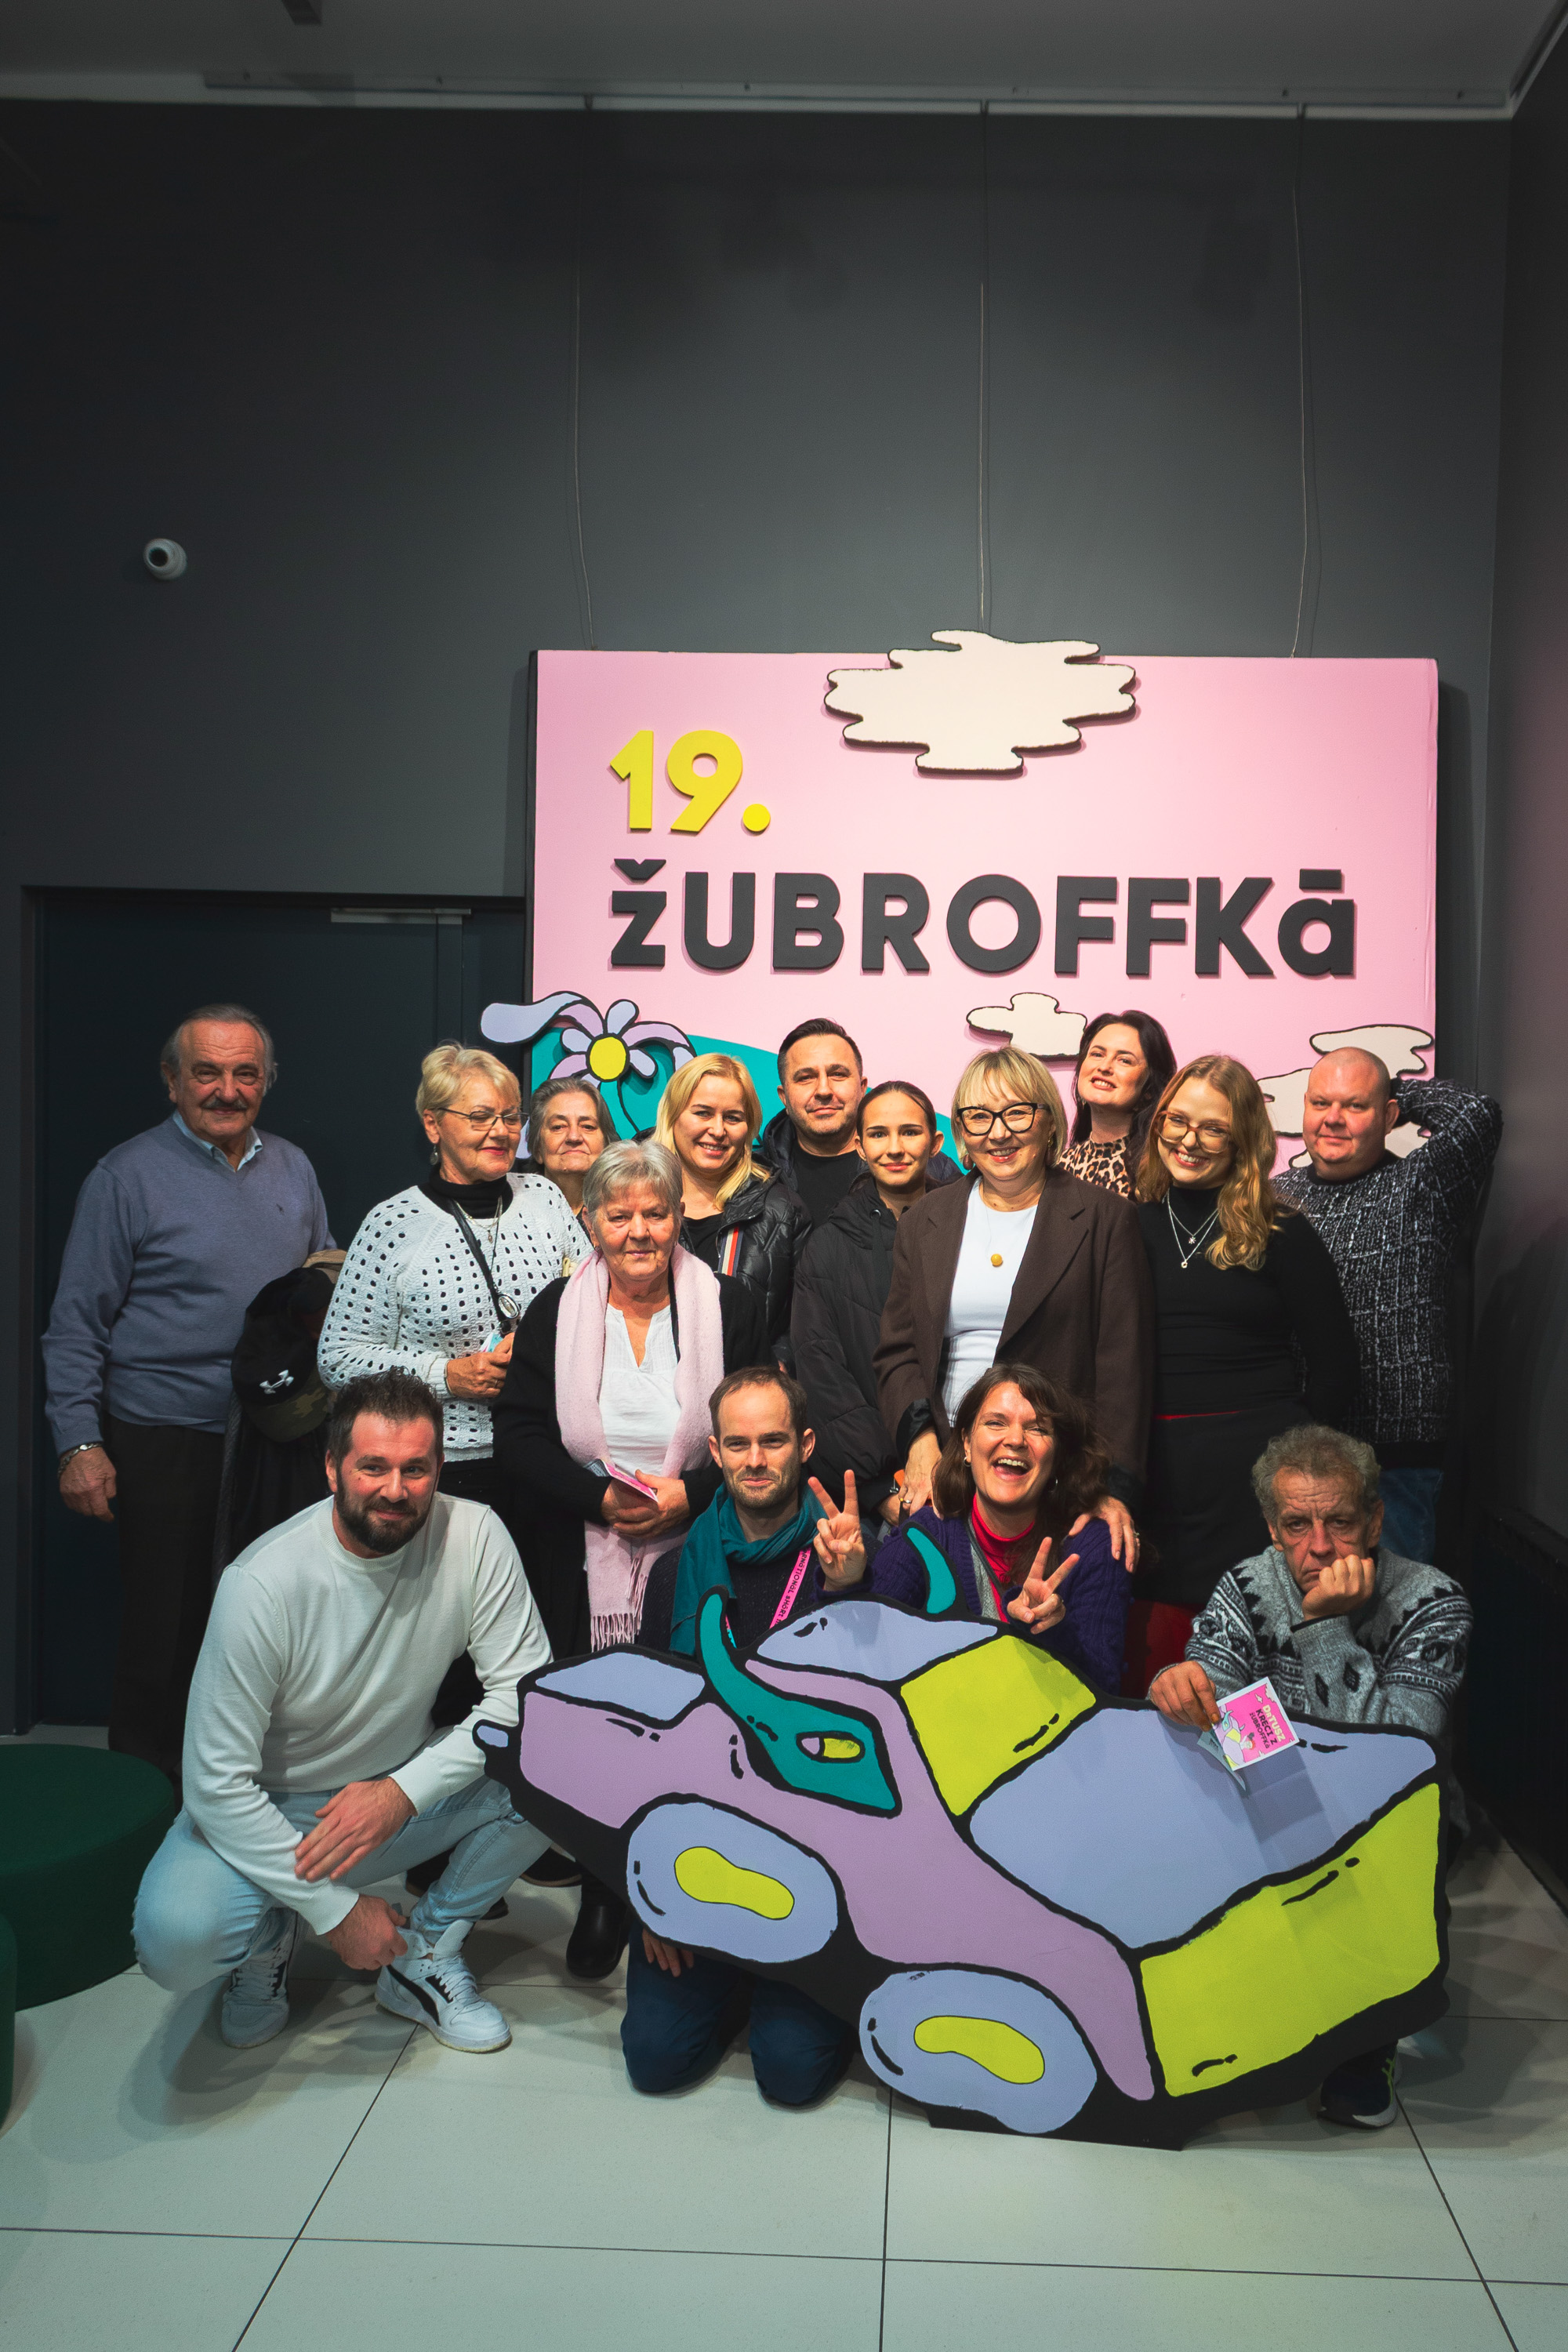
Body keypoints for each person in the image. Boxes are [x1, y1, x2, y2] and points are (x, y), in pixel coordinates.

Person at [132, 1370, 552, 2055]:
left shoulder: (474, 1534)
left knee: (559, 1767)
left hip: (392, 1792)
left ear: (440, 1467)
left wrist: (401, 1791)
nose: (396, 1489)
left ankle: (425, 1951)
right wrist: (335, 1913)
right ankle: (271, 1937)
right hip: (271, 1807)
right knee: (175, 1942)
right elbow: (215, 1784)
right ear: (332, 1467)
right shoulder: (261, 1584)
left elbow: (525, 1696)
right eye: (373, 1467)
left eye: (416, 1469)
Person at [492, 1139, 768, 1977]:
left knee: (689, 1730)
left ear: (680, 1216)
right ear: (591, 1221)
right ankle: (605, 1887)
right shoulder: (556, 1310)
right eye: (620, 1216)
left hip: (702, 1552)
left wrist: (694, 1491)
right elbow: (519, 1435)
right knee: (598, 1729)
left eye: (656, 1213)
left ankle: (684, 1886)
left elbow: (760, 1430)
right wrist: (597, 1502)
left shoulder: (729, 1303)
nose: (639, 1231)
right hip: (584, 1561)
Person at [1151, 1421, 1472, 2129]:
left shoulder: (1433, 1602)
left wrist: (1324, 1627)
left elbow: (1400, 1755)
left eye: (1341, 1523)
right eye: (1297, 1525)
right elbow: (1211, 1699)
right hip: (1276, 1797)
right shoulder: (1247, 1584)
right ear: (1273, 1528)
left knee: (1369, 1892)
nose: (1320, 1546)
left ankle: (1368, 2045)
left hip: (1392, 1826)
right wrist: (1176, 1687)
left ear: (1376, 1521)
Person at [42, 1004, 332, 1780]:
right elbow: (75, 1325)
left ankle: (243, 1789)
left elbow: (318, 1287)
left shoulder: (293, 1168)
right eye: (207, 1072)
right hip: (164, 1435)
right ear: (172, 1081)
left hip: (274, 1437)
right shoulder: (124, 1177)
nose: (227, 1090)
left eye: (245, 1074)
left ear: (266, 1082)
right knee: (164, 1633)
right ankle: (147, 1798)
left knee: (267, 1622)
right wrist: (78, 1442)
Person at [623, 1366, 862, 2107]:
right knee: (656, 2061)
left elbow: (881, 1735)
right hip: (708, 1845)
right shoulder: (676, 1572)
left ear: (806, 1445)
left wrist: (853, 1590)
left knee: (790, 2075)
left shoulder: (846, 1559)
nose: (755, 1460)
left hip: (822, 1851)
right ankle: (737, 1979)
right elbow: (646, 1738)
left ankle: (787, 1986)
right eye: (738, 1444)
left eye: (773, 1441)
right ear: (716, 1453)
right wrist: (651, 1893)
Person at [1129, 1054, 1358, 1693]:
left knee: (1252, 1673)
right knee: (1159, 1672)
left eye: (1212, 1128)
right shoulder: (1126, 1224)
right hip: (1155, 1479)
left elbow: (1338, 1369)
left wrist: (1286, 1458)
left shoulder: (1282, 1232)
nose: (1188, 1140)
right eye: (1176, 1120)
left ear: (1244, 1140)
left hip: (1252, 1483)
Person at [875, 1047, 1151, 1555]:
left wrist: (1111, 1489)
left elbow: (1123, 1370)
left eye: (1017, 1112)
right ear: (961, 1130)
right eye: (979, 1116)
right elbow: (899, 1351)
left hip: (1057, 1480)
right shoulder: (924, 1220)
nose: (998, 1133)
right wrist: (920, 1444)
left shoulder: (1106, 1220)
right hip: (945, 1473)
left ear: (1049, 1121)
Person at [318, 1046, 584, 1533]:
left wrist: (540, 1344)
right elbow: (337, 1358)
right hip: (443, 1465)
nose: (501, 1131)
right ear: (433, 1124)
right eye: (481, 1117)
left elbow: (595, 1304)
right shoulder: (392, 1224)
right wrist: (446, 1376)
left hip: (549, 1451)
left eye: (511, 1117)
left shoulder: (546, 1199)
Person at [1273, 1050, 1503, 1566]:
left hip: (1395, 1457)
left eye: (1355, 1105)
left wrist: (1392, 1087)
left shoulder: (1424, 1184)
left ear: (1390, 1115)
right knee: (1299, 1608)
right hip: (1299, 1454)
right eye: (1320, 1102)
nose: (1333, 1118)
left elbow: (1477, 1113)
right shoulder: (1274, 1198)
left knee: (1393, 1607)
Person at [844, 1365, 1131, 1690]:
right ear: (967, 1443)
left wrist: (1050, 1631)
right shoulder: (927, 1535)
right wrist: (843, 1583)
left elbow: (1103, 1692)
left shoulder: (1094, 1545)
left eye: (1037, 1428)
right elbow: (857, 1657)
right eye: (996, 1423)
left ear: (1058, 1457)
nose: (1016, 1440)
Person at [791, 1080, 961, 1541]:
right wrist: (883, 1486)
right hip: (880, 1493)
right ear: (859, 1145)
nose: (895, 1148)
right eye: (879, 1134)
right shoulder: (828, 1246)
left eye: (910, 1132)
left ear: (936, 1143)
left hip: (972, 1471)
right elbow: (821, 1372)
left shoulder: (970, 1226)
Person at [653, 1051, 808, 1351]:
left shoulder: (784, 1213)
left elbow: (804, 1325)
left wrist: (775, 1367)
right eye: (703, 1113)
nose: (718, 1130)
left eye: (733, 1118)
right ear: (672, 1116)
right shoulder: (631, 1198)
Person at [758, 1018, 869, 1231]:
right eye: (806, 1078)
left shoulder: (921, 1168)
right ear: (784, 1096)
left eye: (838, 1074)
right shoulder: (752, 1179)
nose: (823, 1090)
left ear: (862, 1088)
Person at [1060, 1009, 1177, 1199]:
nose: (1104, 1067)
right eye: (1097, 1054)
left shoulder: (1158, 1169)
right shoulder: (1060, 1167)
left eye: (1124, 1060)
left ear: (1150, 1086)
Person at [521, 1072, 614, 1218]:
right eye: (558, 1127)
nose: (574, 1137)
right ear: (538, 1147)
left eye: (588, 1126)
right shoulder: (515, 1213)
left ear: (606, 1143)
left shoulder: (627, 1212)